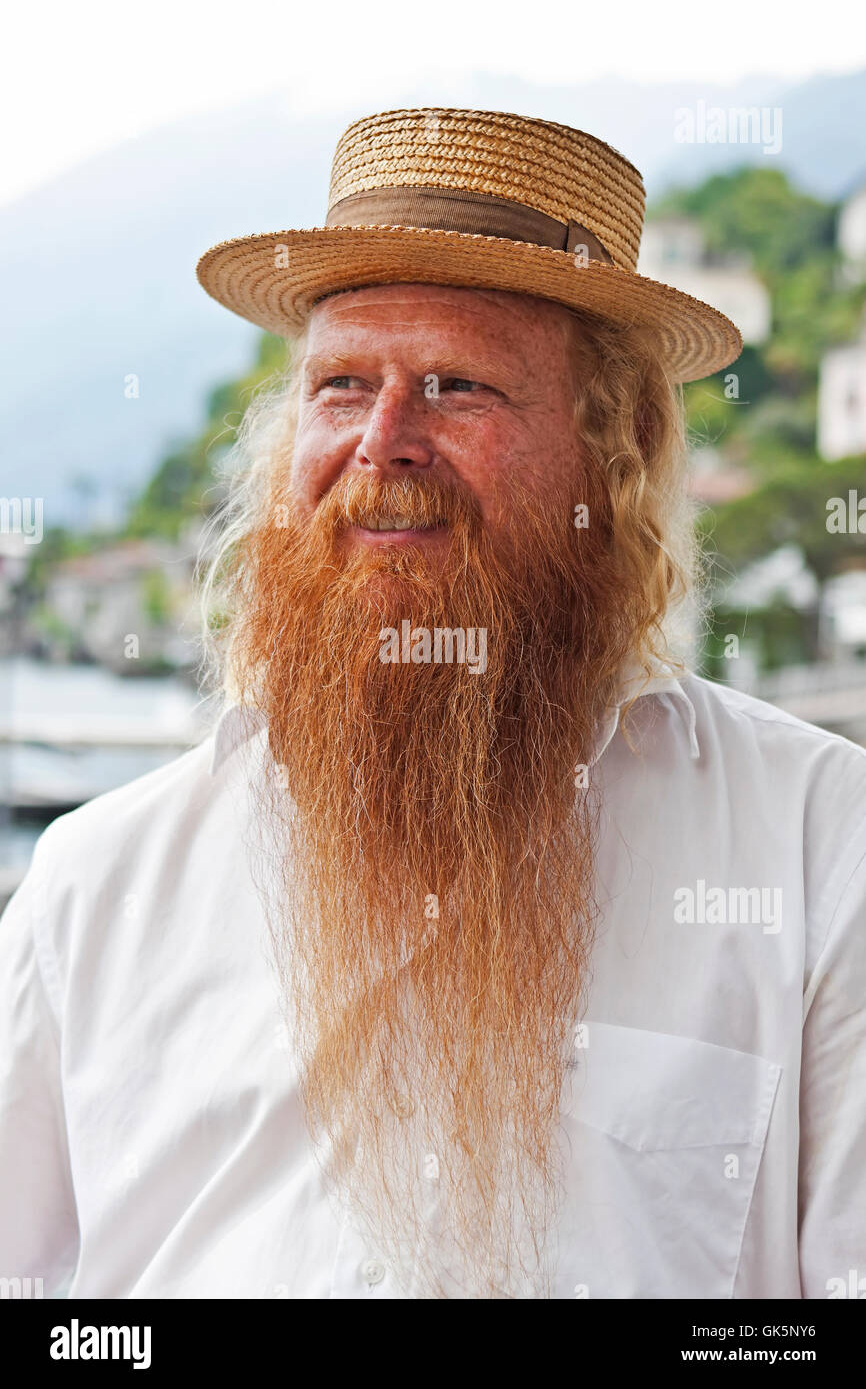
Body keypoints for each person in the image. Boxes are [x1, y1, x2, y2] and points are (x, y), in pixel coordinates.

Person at [1, 107, 864, 1300]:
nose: (382, 443)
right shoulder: (92, 890)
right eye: (342, 384)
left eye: (457, 386)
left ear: (611, 452)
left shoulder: (821, 848)